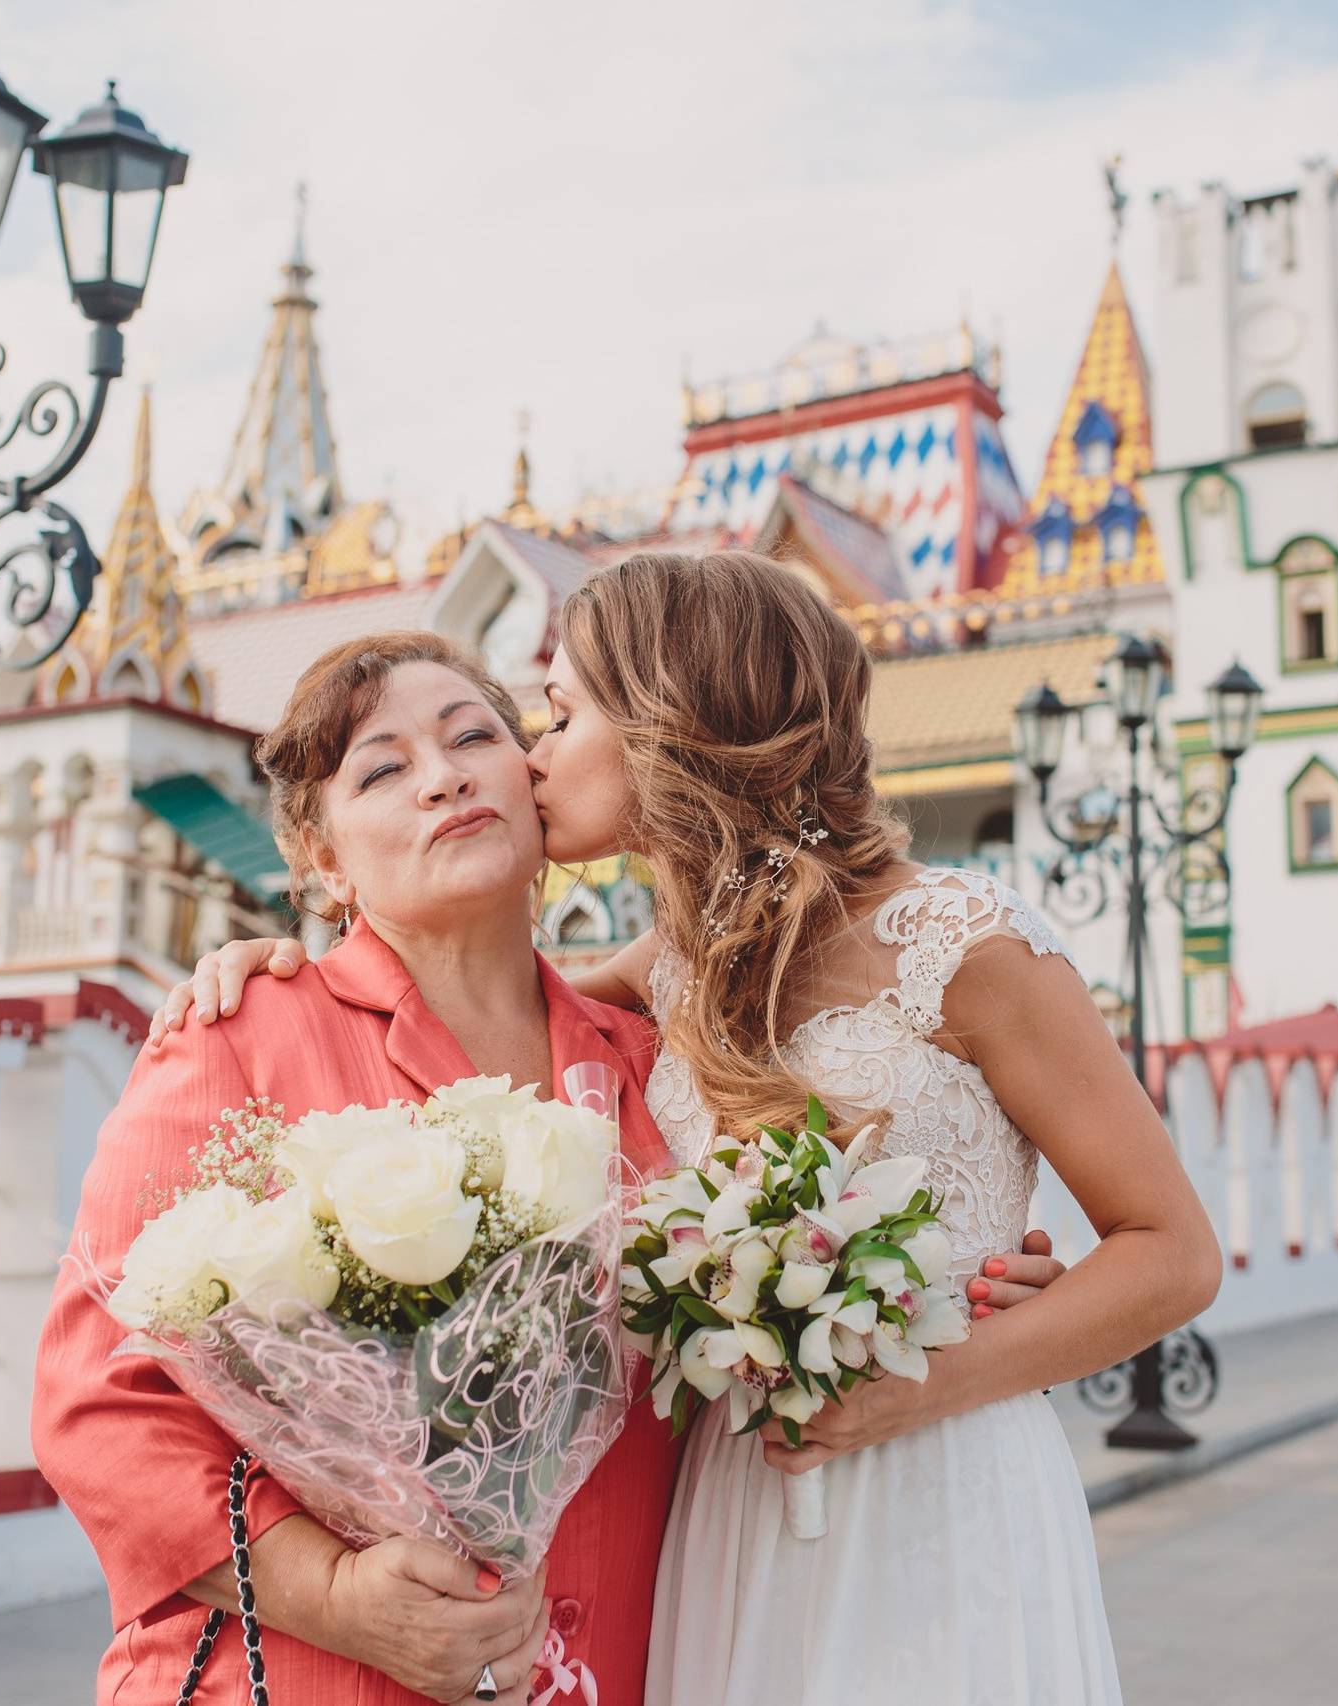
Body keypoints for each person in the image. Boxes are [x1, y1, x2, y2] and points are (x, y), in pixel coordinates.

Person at [154, 551, 1226, 1704]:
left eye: (559, 714)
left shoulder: (965, 943)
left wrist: (935, 1377)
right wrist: (282, 961)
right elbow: (465, 993)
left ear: (676, 720)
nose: (526, 757)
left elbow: (1172, 1250)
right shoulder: (661, 975)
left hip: (935, 1487)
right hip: (730, 1511)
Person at [33, 635, 680, 1706]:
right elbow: (99, 1396)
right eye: (382, 769)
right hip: (306, 1673)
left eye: (476, 736)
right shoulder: (237, 1035)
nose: (445, 774)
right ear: (323, 860)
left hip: (605, 1662)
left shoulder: (647, 1063)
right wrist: (335, 1593)